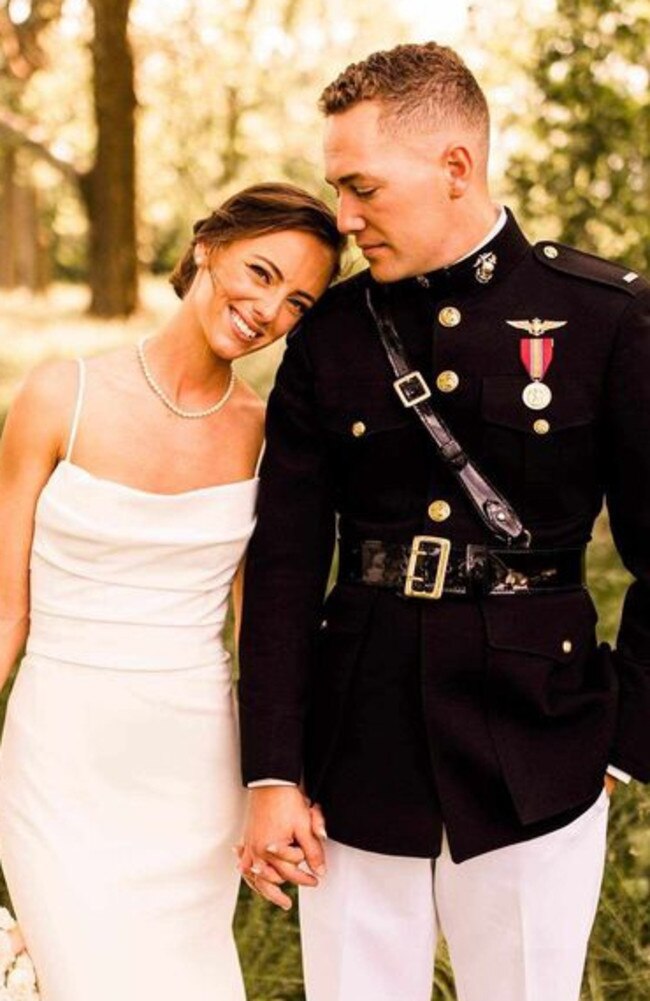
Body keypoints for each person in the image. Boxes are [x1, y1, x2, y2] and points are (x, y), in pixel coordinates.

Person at [238, 43, 650, 1001]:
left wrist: (625, 743)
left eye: (361, 187)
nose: (342, 217)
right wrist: (272, 769)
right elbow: (289, 564)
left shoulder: (603, 319)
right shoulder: (331, 336)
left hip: (542, 739)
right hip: (355, 744)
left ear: (455, 168)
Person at [0, 182, 342, 1001]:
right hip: (59, 758)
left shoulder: (267, 433)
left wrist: (283, 777)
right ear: (209, 246)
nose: (268, 309)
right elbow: (6, 606)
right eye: (259, 272)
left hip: (192, 773)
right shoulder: (58, 395)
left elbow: (263, 625)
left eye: (297, 301)